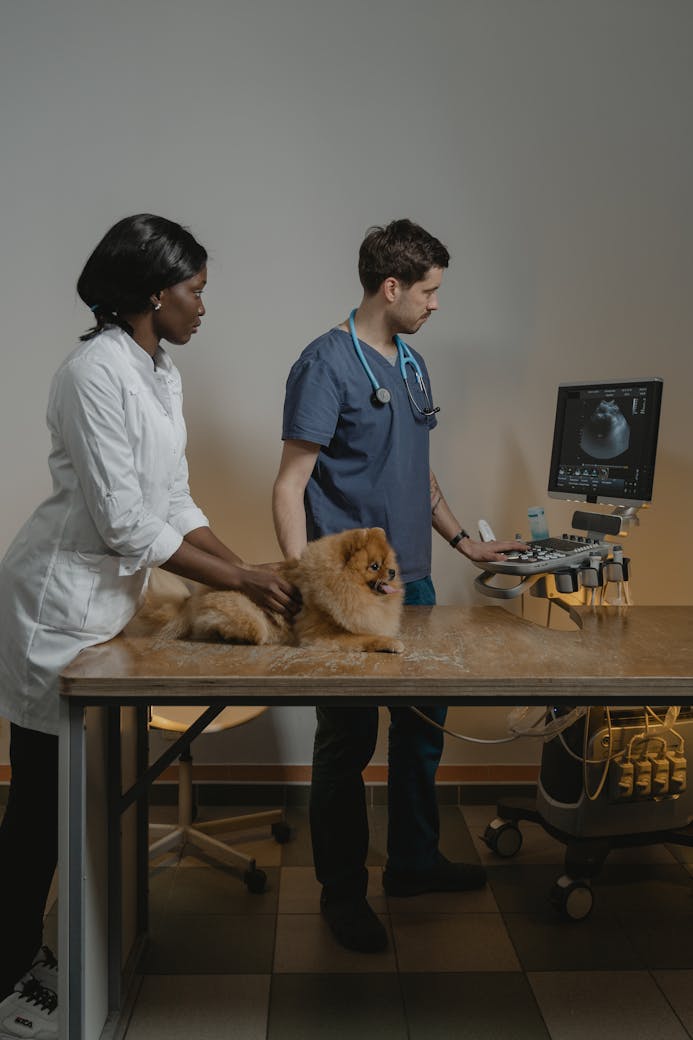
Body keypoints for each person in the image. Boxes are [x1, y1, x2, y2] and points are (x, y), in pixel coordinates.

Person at [0, 213, 298, 1038]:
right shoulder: (93, 373)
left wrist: (248, 575)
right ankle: (8, 976)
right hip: (56, 610)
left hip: (107, 613)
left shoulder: (157, 371)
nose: (203, 305)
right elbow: (129, 525)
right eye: (195, 289)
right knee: (37, 816)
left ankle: (50, 953)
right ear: (152, 290)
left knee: (80, 802)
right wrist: (239, 577)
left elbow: (173, 503)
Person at [272, 218, 523, 953]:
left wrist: (464, 542)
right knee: (345, 744)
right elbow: (290, 486)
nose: (435, 304)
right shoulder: (324, 365)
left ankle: (412, 863)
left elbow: (419, 469)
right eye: (428, 291)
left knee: (420, 733)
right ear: (391, 288)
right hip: (349, 598)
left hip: (412, 583)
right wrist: (306, 583)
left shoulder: (410, 366)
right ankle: (342, 892)